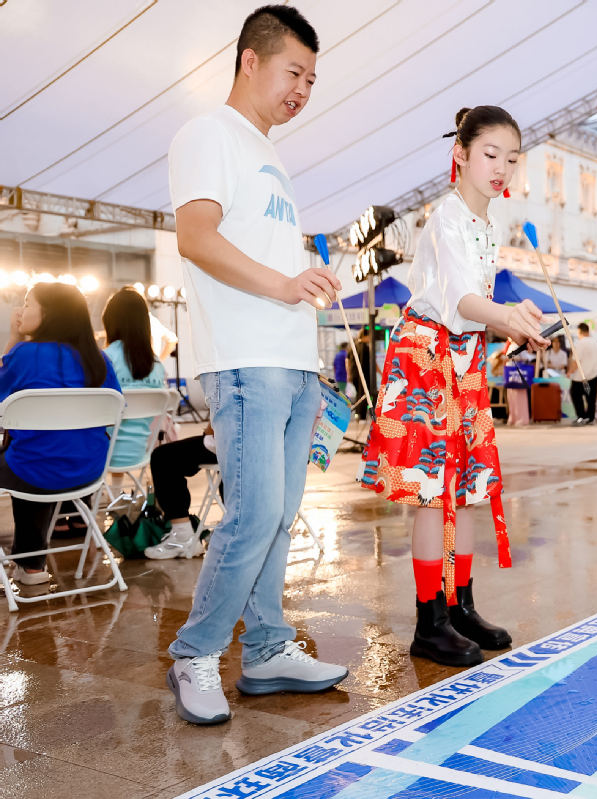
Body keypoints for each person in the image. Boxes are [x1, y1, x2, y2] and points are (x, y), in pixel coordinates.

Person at [165, 5, 348, 726]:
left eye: (312, 77)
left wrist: (306, 337)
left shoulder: (268, 152)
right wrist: (283, 285)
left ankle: (268, 648)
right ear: (251, 60)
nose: (303, 88)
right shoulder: (209, 133)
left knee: (278, 519)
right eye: (293, 71)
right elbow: (195, 237)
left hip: (291, 362)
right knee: (254, 515)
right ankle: (195, 651)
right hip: (245, 361)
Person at [361, 105, 547, 668]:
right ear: (461, 155)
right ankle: (429, 619)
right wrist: (507, 315)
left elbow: (473, 309)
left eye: (512, 159)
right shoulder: (446, 215)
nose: (502, 169)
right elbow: (464, 299)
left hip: (461, 355)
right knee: (430, 493)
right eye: (491, 155)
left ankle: (460, 605)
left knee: (464, 487)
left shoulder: (486, 223)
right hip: (426, 355)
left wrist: (515, 324)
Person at [0, 282, 122, 585]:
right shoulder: (98, 359)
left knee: (30, 459)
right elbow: (117, 406)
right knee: (38, 452)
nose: (21, 310)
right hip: (87, 473)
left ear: (48, 314)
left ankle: (30, 565)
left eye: (28, 303)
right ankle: (30, 567)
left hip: (31, 471)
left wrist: (14, 340)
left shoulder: (24, 355)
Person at [102, 287, 168, 471]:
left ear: (110, 320)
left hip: (104, 453)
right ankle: (117, 493)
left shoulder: (105, 358)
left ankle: (111, 492)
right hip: (141, 451)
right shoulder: (157, 365)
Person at [144, 430, 219, 559]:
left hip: (231, 442)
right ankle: (233, 526)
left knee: (162, 457)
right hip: (254, 442)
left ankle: (182, 536)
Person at [568, 322, 597, 425]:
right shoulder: (596, 343)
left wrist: (570, 371)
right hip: (594, 375)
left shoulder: (580, 343)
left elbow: (576, 361)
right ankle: (590, 418)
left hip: (580, 377)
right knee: (591, 399)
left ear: (579, 331)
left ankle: (581, 416)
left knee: (576, 395)